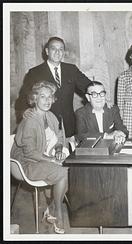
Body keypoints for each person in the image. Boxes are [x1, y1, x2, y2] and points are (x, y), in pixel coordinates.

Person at [11, 81, 69, 234]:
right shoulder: (30, 120)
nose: (47, 100)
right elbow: (30, 153)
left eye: (50, 97)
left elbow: (60, 138)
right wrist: (52, 160)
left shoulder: (50, 116)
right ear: (34, 99)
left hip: (41, 159)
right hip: (25, 163)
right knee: (62, 172)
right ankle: (58, 213)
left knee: (69, 168)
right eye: (42, 97)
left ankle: (50, 208)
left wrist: (57, 150)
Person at [15, 36, 92, 141]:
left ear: (63, 52)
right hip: (45, 125)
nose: (57, 52)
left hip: (69, 126)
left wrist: (101, 97)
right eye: (53, 49)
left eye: (61, 49)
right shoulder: (35, 73)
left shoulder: (71, 69)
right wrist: (25, 110)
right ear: (47, 51)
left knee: (69, 155)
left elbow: (89, 86)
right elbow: (23, 97)